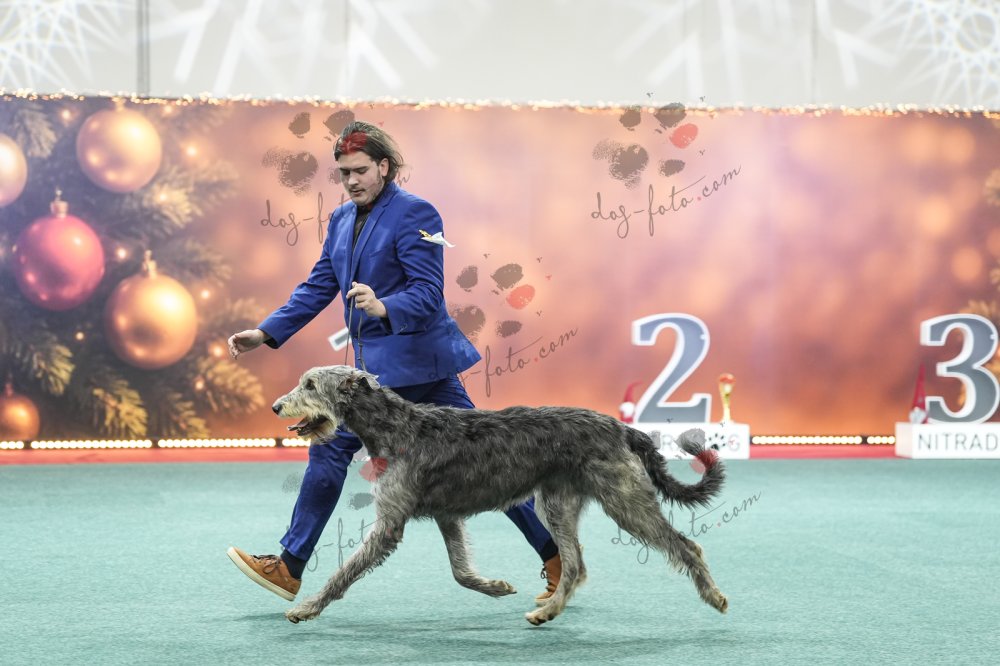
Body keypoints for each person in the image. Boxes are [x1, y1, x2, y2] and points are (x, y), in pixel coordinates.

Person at [225, 121, 564, 604]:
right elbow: (318, 286)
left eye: (360, 171)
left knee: (474, 460)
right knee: (474, 458)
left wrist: (384, 306)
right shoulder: (340, 219)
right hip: (380, 378)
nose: (352, 181)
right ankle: (555, 556)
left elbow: (428, 293)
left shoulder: (417, 213)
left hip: (418, 367)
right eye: (344, 173)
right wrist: (265, 332)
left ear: (384, 167)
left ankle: (289, 566)